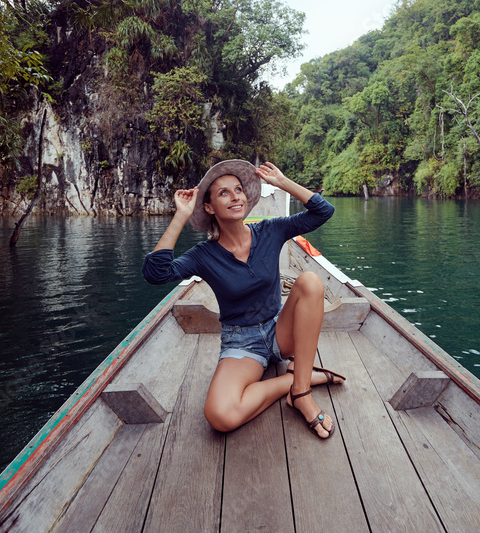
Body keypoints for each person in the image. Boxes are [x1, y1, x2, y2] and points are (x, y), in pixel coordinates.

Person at [142, 160, 344, 439]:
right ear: (209, 207)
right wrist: (182, 215)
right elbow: (156, 273)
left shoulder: (270, 231)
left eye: (238, 190)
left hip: (279, 331)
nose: (235, 196)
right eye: (223, 193)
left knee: (310, 281)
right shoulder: (203, 255)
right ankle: (296, 377)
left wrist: (282, 183)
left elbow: (323, 212)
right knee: (220, 415)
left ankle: (300, 392)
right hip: (242, 343)